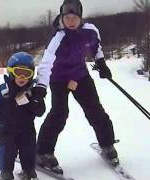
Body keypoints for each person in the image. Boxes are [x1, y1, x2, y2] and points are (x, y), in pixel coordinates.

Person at [33, 0, 119, 174]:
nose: (71, 21)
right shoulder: (58, 37)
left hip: (80, 76)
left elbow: (96, 47)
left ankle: (107, 144)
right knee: (59, 113)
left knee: (95, 110)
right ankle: (42, 152)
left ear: (80, 18)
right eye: (67, 17)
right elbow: (46, 62)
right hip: (59, 79)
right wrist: (41, 85)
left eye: (74, 18)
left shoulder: (90, 30)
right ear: (62, 18)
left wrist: (101, 63)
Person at [0, 52, 46, 180]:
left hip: (27, 130)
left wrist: (36, 103)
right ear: (11, 72)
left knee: (29, 150)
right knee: (7, 151)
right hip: (6, 129)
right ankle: (6, 171)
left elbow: (41, 111)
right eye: (19, 72)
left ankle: (28, 169)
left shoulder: (32, 92)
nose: (22, 77)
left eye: (27, 74)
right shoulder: (4, 89)